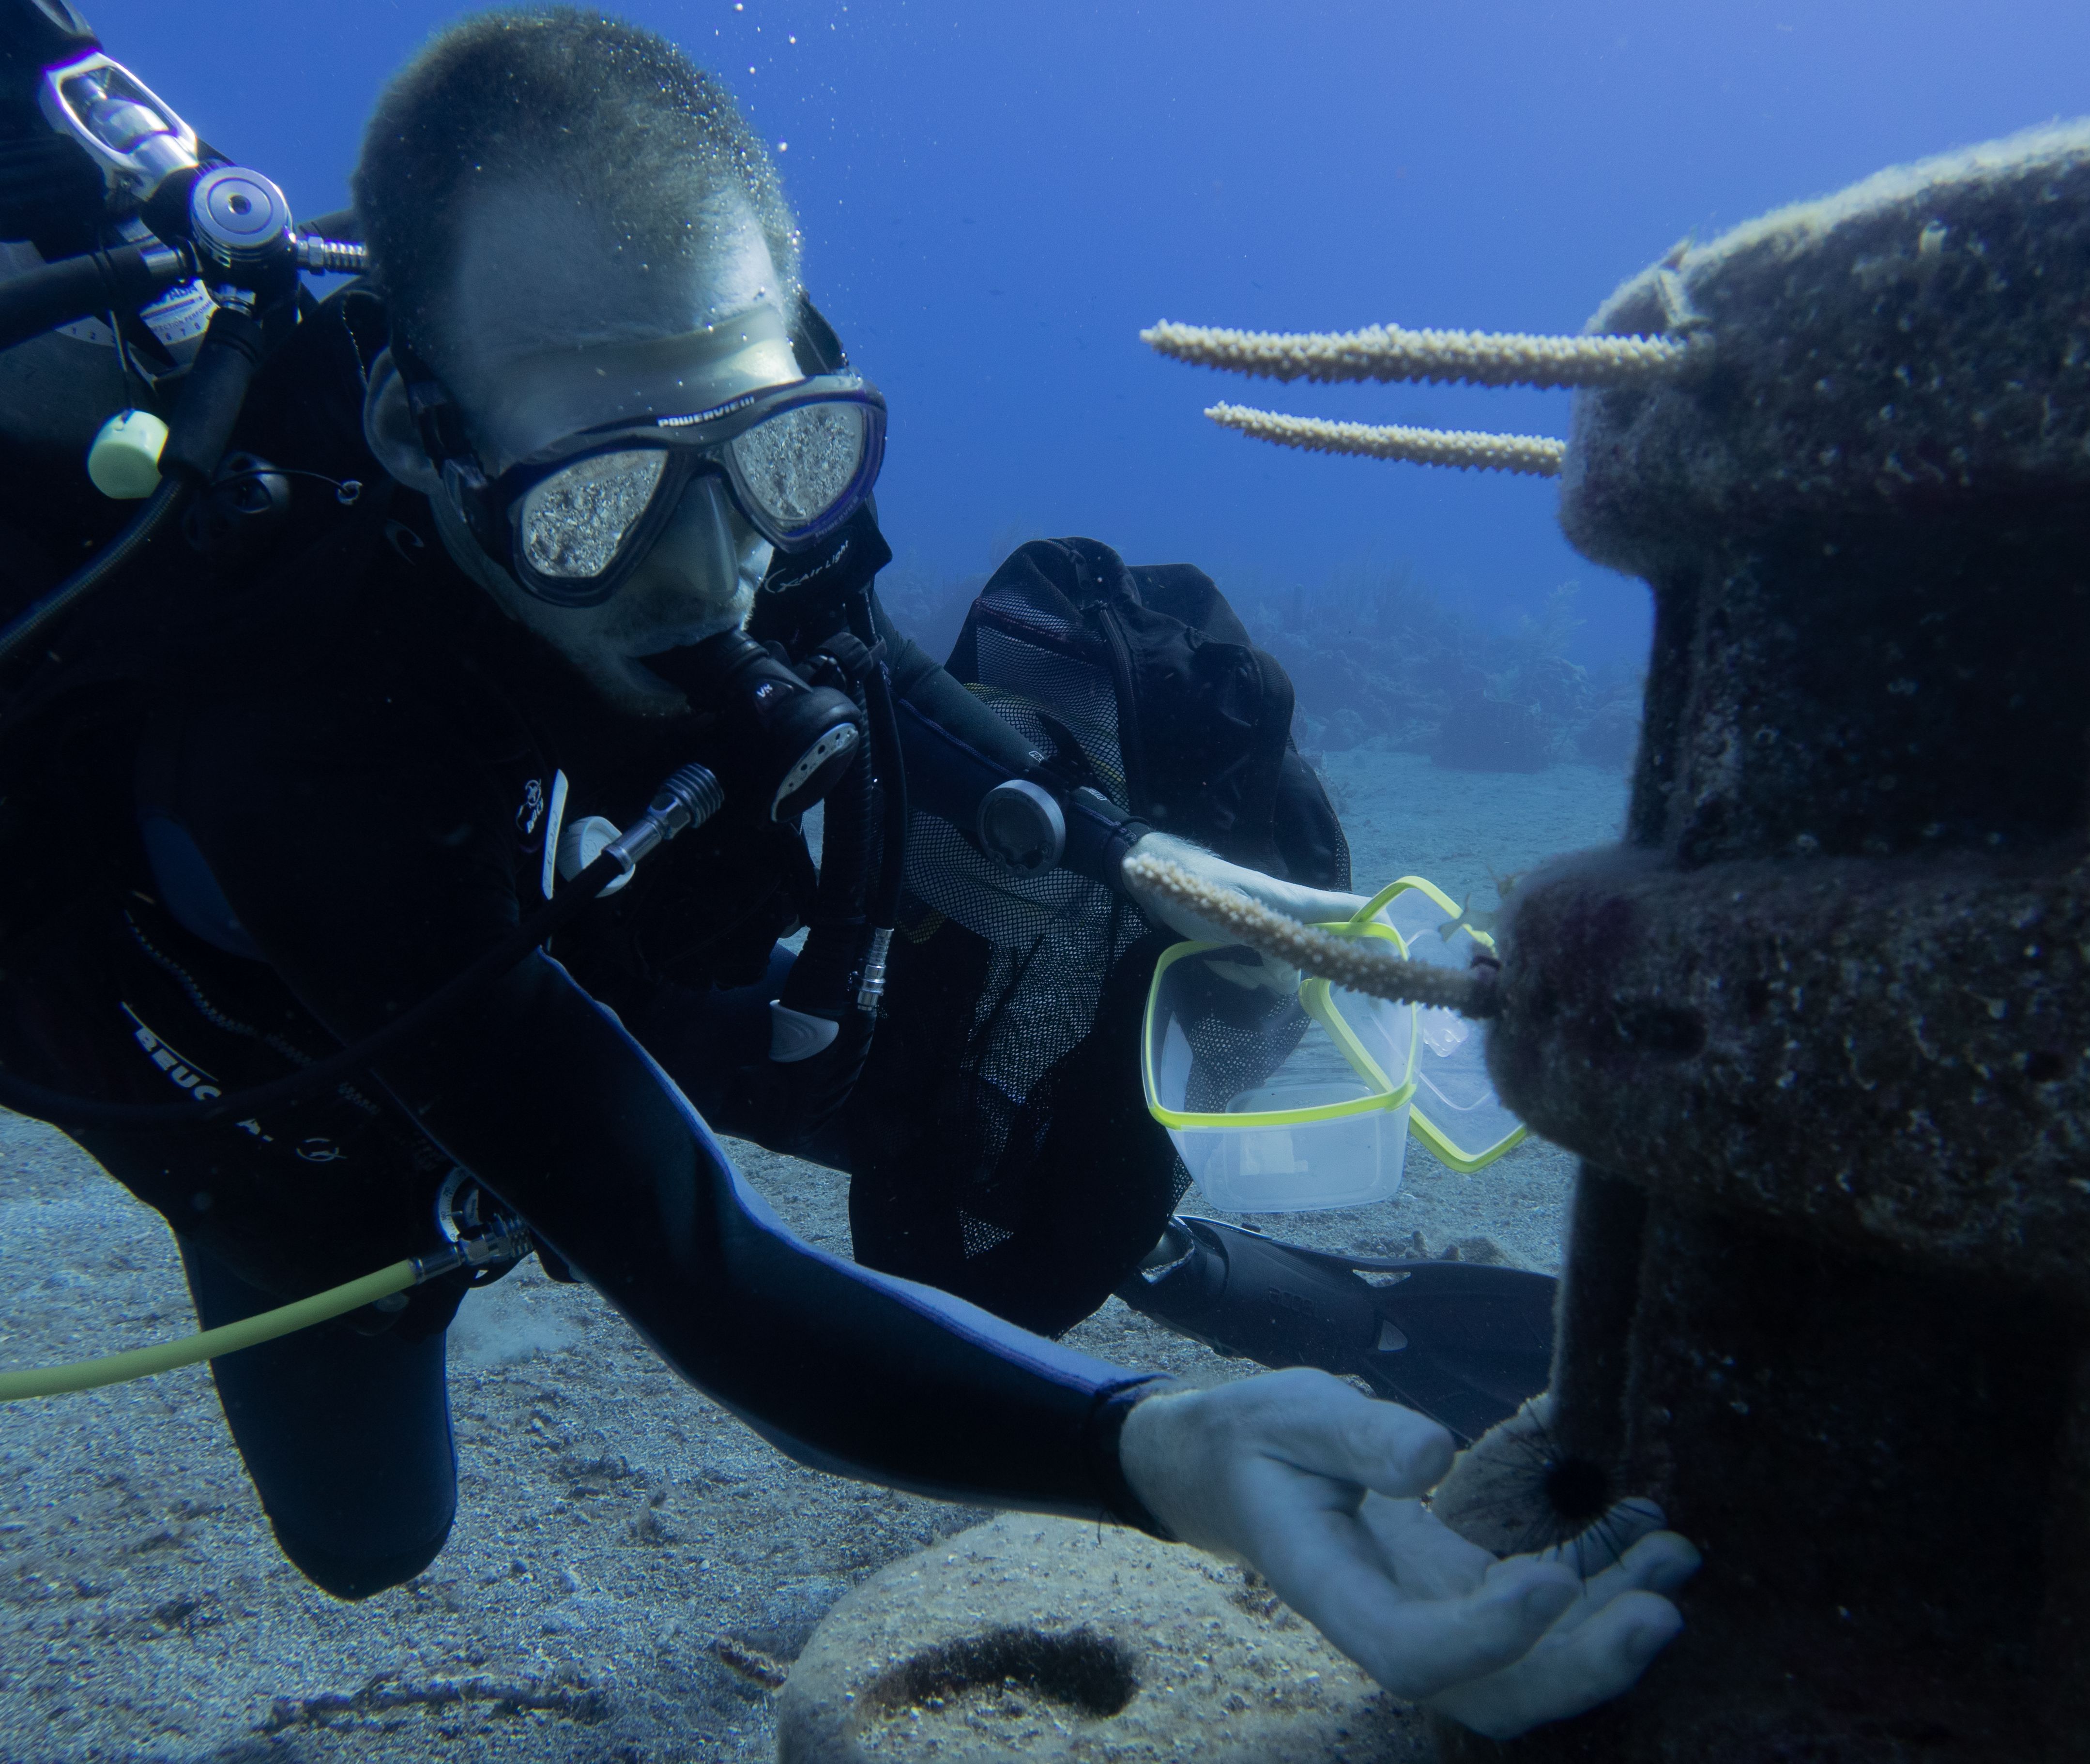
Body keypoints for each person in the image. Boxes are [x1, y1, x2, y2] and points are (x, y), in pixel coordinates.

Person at [0, 8, 1694, 1737]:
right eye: (595, 508)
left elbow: (871, 664)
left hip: (561, 913)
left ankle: (1143, 1240)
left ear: (790, 358)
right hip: (279, 1092)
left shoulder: (707, 434)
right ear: (420, 431)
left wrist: (1120, 847)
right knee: (371, 1537)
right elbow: (700, 1257)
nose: (714, 572)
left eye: (776, 460)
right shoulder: (303, 753)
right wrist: (1138, 1442)